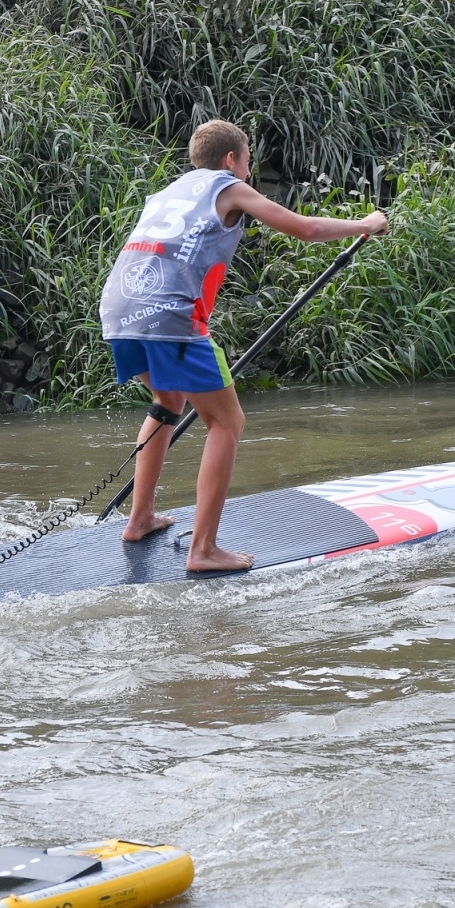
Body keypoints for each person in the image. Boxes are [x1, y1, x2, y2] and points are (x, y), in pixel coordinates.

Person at [99, 119, 388, 571]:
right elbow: (306, 229)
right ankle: (203, 549)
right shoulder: (228, 186)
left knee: (167, 403)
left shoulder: (168, 192)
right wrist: (366, 223)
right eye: (248, 161)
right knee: (227, 422)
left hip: (118, 309)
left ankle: (139, 520)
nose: (249, 172)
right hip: (169, 315)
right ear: (231, 159)